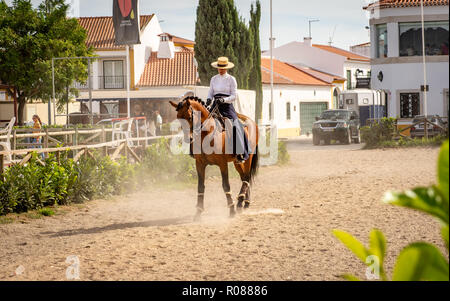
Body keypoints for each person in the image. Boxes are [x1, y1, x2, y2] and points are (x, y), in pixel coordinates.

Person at [207, 56, 250, 163]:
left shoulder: (231, 79)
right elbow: (211, 92)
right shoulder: (213, 79)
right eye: (219, 68)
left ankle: (240, 152)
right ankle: (195, 150)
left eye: (223, 68)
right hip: (215, 105)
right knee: (201, 122)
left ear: (226, 68)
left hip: (227, 106)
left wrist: (224, 100)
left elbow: (234, 95)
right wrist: (208, 99)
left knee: (236, 125)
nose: (221, 70)